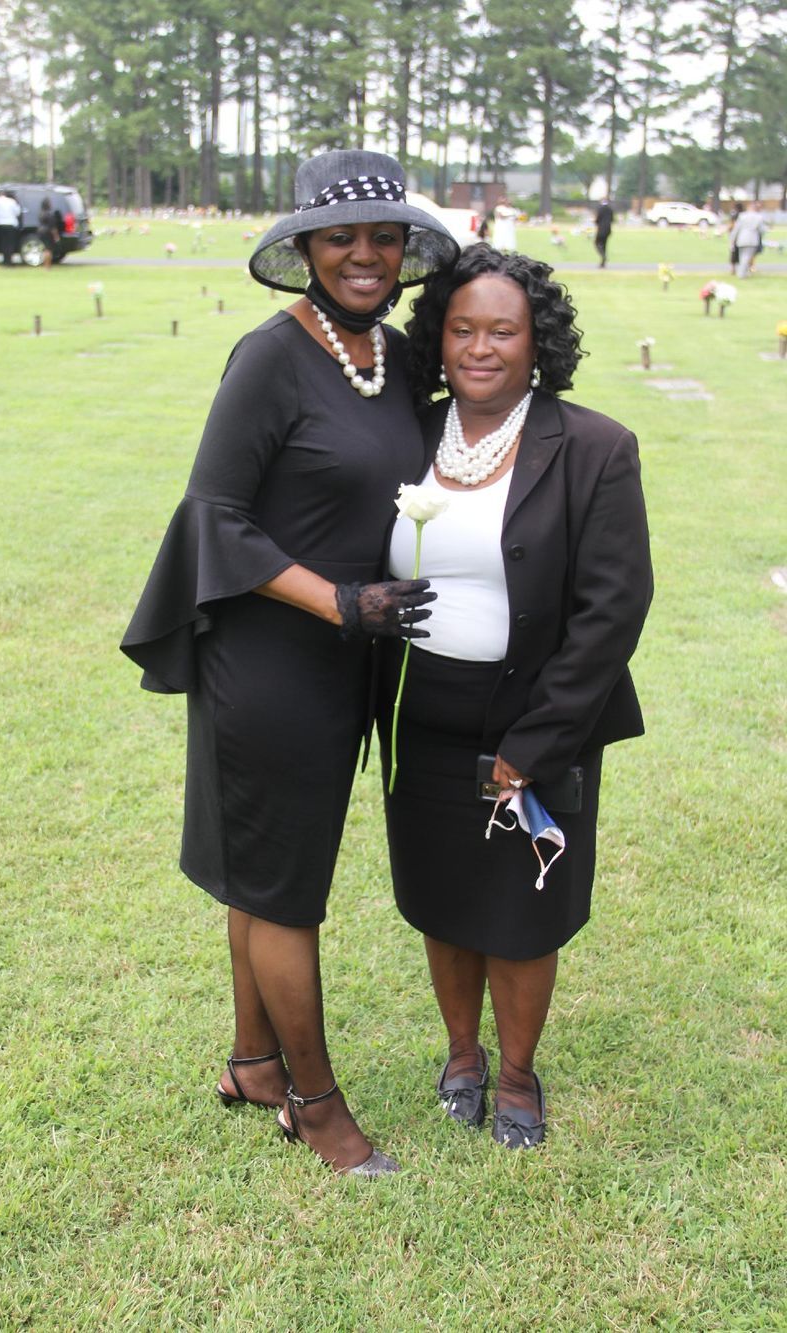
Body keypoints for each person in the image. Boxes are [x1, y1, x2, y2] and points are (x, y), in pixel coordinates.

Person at [121, 150, 457, 1176]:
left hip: (355, 663)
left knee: (268, 878)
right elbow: (213, 518)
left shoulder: (399, 357)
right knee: (284, 890)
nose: (366, 254)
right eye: (342, 236)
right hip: (269, 660)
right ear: (305, 247)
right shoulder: (268, 357)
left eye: (385, 236)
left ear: (406, 251)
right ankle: (316, 1107)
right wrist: (338, 601)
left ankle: (255, 1061)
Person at [377, 244, 652, 1150]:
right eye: (462, 328)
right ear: (440, 338)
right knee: (443, 895)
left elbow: (615, 607)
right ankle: (463, 1055)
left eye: (504, 330)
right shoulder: (405, 435)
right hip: (422, 716)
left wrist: (538, 740)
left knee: (525, 909)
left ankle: (521, 1072)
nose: (481, 346)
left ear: (539, 345)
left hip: (540, 722)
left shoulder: (596, 447)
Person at [730, 201, 766, 279]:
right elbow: (762, 230)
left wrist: (732, 239)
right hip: (752, 239)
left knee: (743, 256)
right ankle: (742, 274)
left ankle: (743, 272)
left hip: (741, 238)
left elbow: (736, 229)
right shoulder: (759, 217)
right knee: (747, 257)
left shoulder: (742, 216)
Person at [0, 189, 21, 266]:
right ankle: (9, 261)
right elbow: (17, 212)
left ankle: (5, 260)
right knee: (10, 244)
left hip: (0, 224)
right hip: (10, 224)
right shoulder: (11, 201)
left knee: (3, 243)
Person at [37, 196, 61, 268]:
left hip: (40, 231)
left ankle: (45, 264)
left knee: (45, 249)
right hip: (47, 232)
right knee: (48, 249)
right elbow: (53, 227)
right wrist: (56, 236)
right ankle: (47, 266)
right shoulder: (50, 215)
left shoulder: (41, 213)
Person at [594, 199, 613, 267]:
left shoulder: (600, 209)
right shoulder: (610, 209)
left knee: (597, 243)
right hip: (608, 229)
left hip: (601, 229)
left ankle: (603, 256)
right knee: (604, 245)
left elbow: (597, 219)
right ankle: (603, 263)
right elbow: (612, 219)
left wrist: (595, 222)